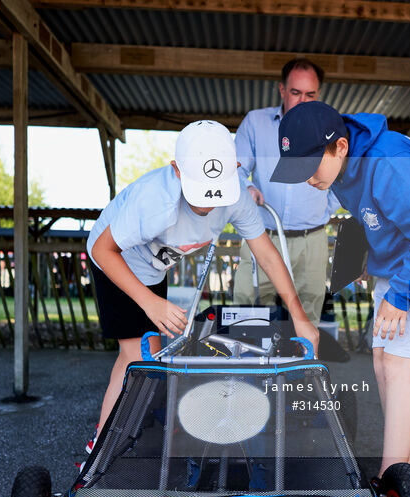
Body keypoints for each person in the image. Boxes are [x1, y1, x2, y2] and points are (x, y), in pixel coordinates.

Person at [85, 120, 319, 453]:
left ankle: (147, 425)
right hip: (115, 261)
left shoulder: (236, 196)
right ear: (177, 170)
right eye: (199, 194)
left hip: (153, 269)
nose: (207, 205)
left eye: (216, 192)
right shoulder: (154, 201)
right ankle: (101, 450)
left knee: (153, 355)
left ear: (235, 168)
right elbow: (101, 250)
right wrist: (150, 303)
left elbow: (266, 255)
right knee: (135, 356)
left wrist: (301, 318)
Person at [271, 101, 410, 477]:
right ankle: (406, 468)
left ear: (341, 147)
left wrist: (401, 295)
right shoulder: (340, 169)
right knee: (383, 362)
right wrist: (367, 259)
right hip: (401, 258)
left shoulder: (388, 161)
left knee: (398, 365)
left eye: (310, 166)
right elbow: (376, 216)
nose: (307, 178)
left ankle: (391, 476)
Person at [233, 58, 340, 322]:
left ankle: (303, 364)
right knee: (248, 311)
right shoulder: (255, 123)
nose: (303, 101)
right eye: (295, 93)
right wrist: (246, 186)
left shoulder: (333, 128)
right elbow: (234, 169)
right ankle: (249, 363)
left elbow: (342, 179)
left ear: (318, 94)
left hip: (311, 241)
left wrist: (325, 209)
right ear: (282, 90)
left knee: (308, 318)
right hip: (262, 236)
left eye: (310, 94)